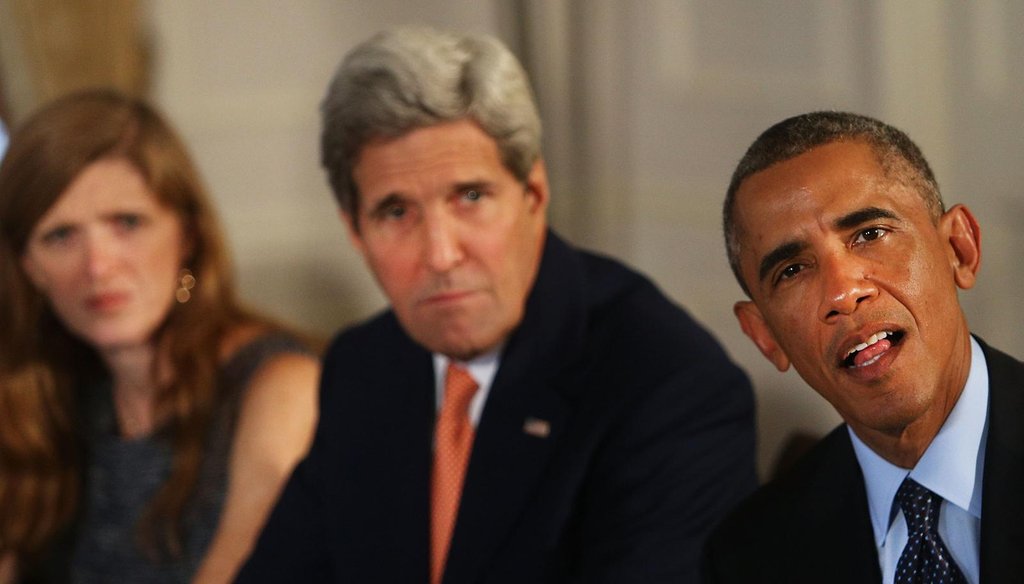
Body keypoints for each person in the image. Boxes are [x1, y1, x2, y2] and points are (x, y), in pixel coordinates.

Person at [236, 26, 756, 583]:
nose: (440, 254)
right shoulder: (364, 365)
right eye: (395, 212)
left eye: (470, 197)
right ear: (355, 231)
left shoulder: (669, 389)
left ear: (533, 194)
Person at [0, 90, 320, 583]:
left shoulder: (279, 387)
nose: (98, 267)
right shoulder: (47, 397)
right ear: (29, 269)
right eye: (60, 236)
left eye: (126, 223)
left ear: (187, 237)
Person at [703, 111, 1024, 583]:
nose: (842, 293)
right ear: (765, 336)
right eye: (792, 270)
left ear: (959, 249)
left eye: (869, 234)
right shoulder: (750, 556)